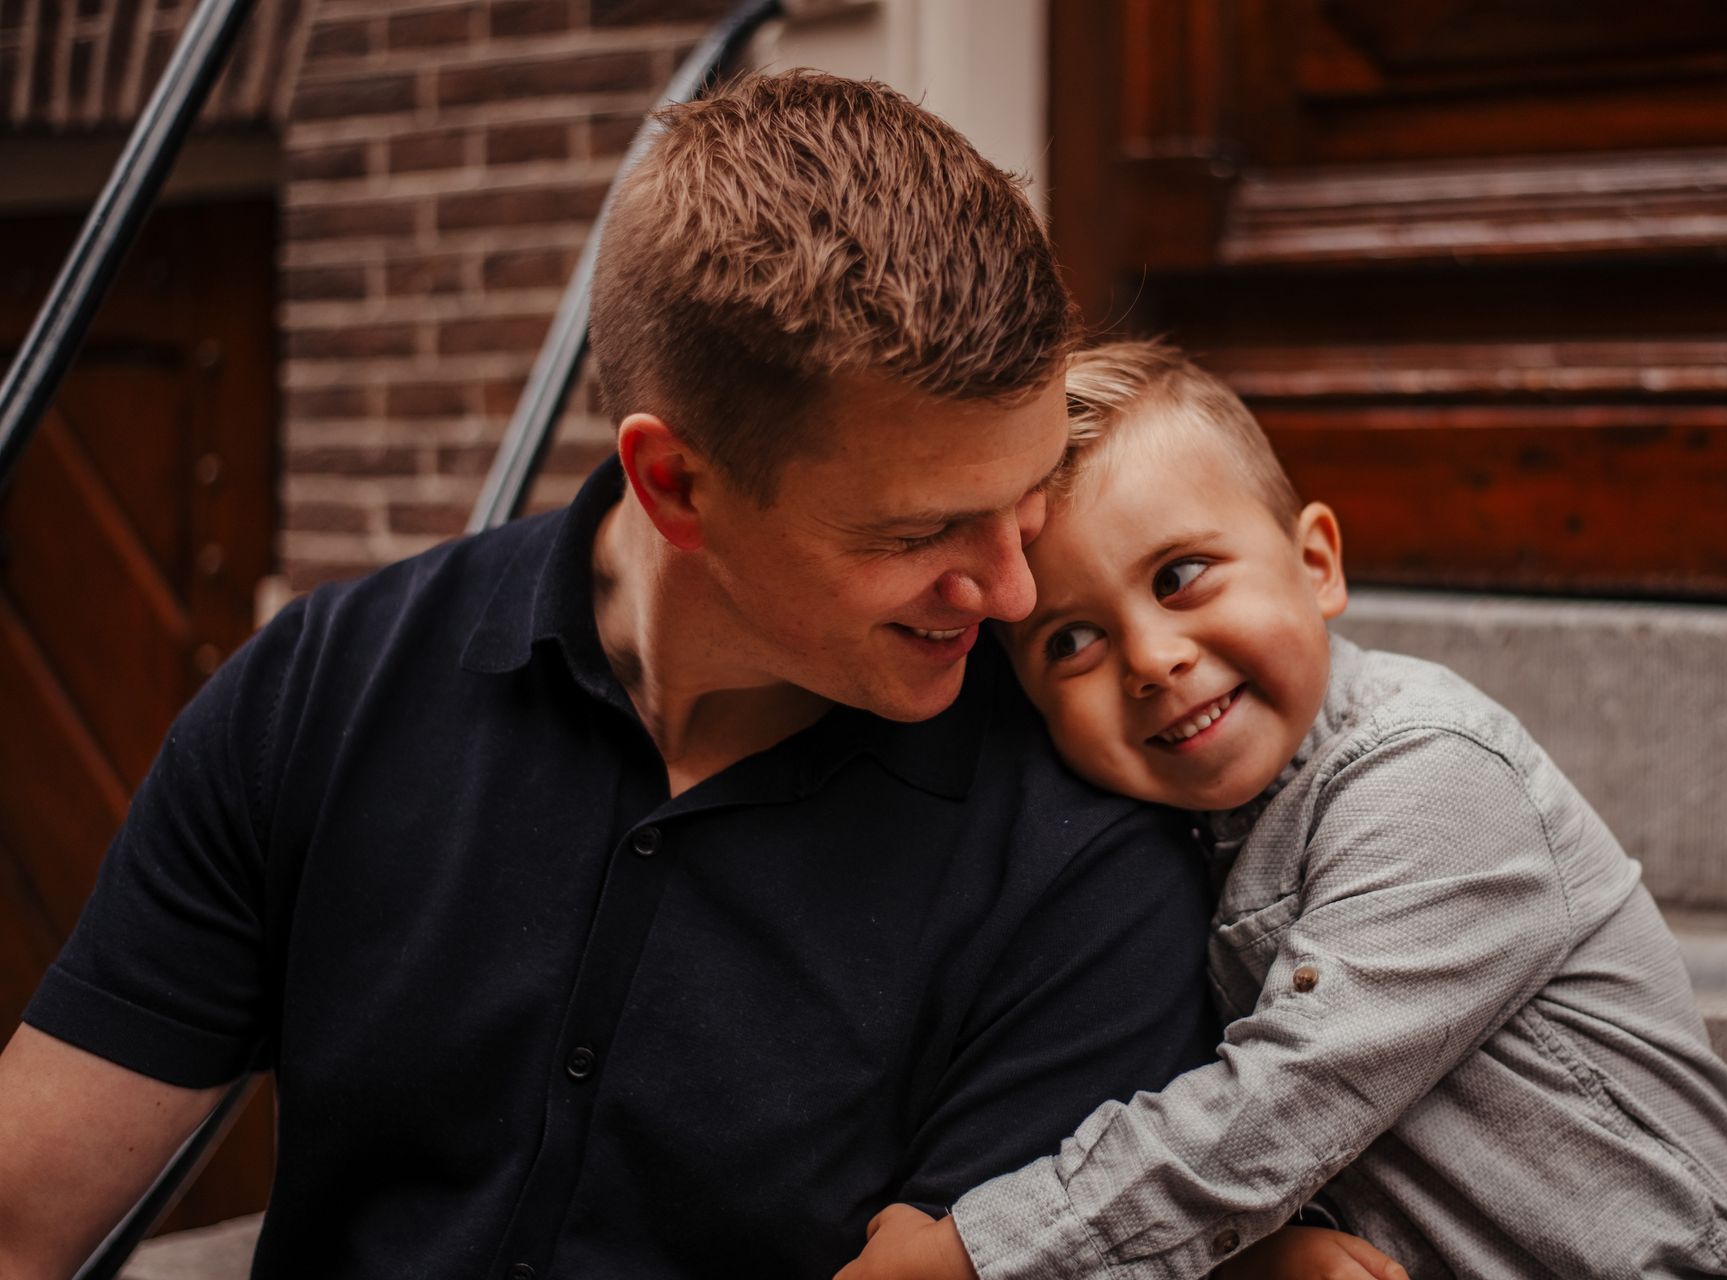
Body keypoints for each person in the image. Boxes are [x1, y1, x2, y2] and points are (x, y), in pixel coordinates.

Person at [0, 77, 1221, 1278]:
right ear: (674, 484)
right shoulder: (325, 690)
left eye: (1030, 496)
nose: (1013, 591)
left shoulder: (1086, 842)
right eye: (919, 535)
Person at [842, 341, 1727, 1280]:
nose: (1152, 659)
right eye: (1073, 639)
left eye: (1179, 577)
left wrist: (975, 1257)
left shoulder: (1432, 778)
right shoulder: (1154, 846)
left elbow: (1293, 1095)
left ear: (1316, 563)